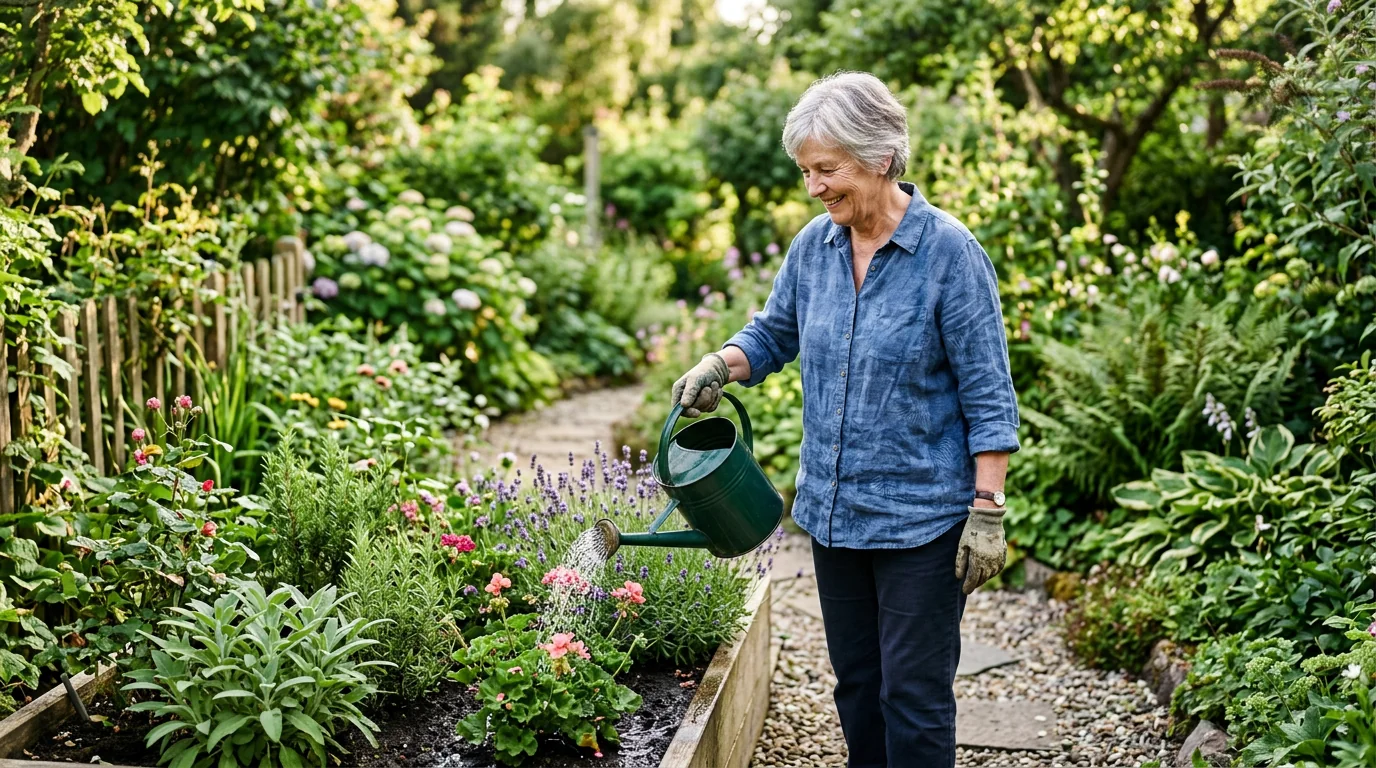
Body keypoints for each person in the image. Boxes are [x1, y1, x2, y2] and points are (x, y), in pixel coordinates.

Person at [672, 71, 1019, 768]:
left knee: (914, 697)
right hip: (834, 517)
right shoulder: (815, 248)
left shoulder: (950, 256)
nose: (815, 187)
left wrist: (987, 510)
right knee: (858, 687)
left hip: (921, 522)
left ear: (880, 156)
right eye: (807, 171)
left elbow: (989, 395)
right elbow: (773, 333)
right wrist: (720, 363)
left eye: (826, 169)